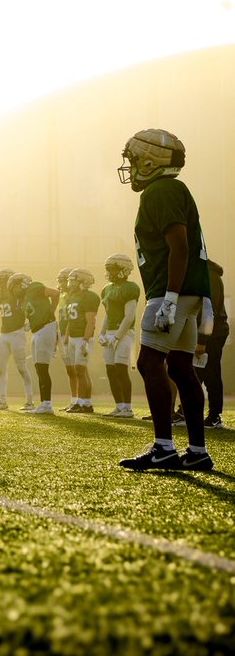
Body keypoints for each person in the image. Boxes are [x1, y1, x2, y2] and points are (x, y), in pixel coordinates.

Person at [116, 129, 214, 471]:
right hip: (187, 290)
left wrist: (170, 296)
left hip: (172, 290)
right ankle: (198, 451)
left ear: (149, 161)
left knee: (148, 362)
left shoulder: (162, 190)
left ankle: (164, 447)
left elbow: (180, 245)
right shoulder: (173, 189)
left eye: (133, 160)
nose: (130, 167)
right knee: (181, 368)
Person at [9, 273, 61, 414]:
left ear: (22, 283)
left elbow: (56, 293)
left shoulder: (34, 287)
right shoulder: (25, 298)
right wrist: (31, 323)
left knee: (43, 368)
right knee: (39, 368)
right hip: (38, 330)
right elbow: (36, 311)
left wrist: (52, 310)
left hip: (46, 327)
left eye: (14, 287)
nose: (14, 291)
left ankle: (47, 404)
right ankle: (44, 403)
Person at [98, 253, 140, 418]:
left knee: (121, 369)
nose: (110, 273)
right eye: (108, 269)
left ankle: (128, 408)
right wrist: (102, 333)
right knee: (110, 370)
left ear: (124, 270)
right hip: (110, 333)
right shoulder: (107, 289)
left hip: (124, 332)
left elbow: (129, 316)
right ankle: (119, 406)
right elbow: (108, 315)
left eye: (113, 269)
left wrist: (117, 336)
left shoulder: (130, 287)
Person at [0, 267, 34, 411]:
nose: (1, 283)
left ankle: (30, 401)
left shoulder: (18, 295)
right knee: (0, 367)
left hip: (17, 333)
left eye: (4, 280)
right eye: (0, 280)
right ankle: (2, 400)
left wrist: (30, 322)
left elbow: (31, 306)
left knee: (22, 368)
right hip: (3, 334)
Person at [63, 268, 100, 413]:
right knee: (79, 371)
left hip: (82, 338)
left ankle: (82, 403)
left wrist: (85, 340)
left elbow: (91, 321)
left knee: (80, 370)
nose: (70, 284)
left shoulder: (89, 297)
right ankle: (85, 403)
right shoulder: (72, 297)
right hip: (73, 337)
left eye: (73, 281)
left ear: (83, 282)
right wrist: (66, 338)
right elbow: (70, 321)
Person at [200, 260, 227, 428]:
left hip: (214, 332)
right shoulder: (205, 273)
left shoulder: (209, 276)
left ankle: (215, 414)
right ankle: (185, 410)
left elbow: (210, 310)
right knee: (197, 371)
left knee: (211, 372)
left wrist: (202, 339)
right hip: (208, 330)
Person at [55, 266, 80, 411]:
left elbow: (72, 318)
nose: (61, 284)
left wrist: (67, 336)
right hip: (63, 334)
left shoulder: (73, 297)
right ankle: (74, 400)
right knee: (70, 370)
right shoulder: (62, 296)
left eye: (62, 281)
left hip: (71, 335)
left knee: (78, 370)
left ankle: (82, 400)